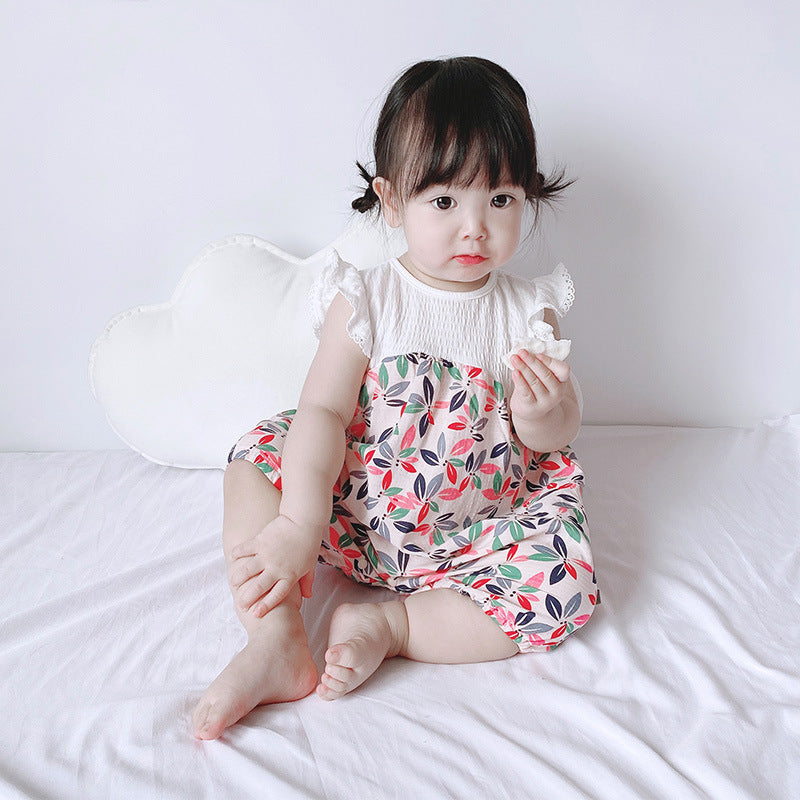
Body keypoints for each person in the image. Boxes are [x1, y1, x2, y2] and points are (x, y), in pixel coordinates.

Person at [192, 56, 598, 741]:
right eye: (444, 201)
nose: (475, 227)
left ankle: (395, 625)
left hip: (477, 525)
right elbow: (323, 411)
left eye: (500, 199)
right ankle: (276, 637)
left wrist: (542, 413)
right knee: (256, 459)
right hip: (355, 506)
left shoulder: (529, 311)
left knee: (566, 586)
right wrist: (299, 522)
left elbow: (558, 432)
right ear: (391, 198)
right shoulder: (368, 298)